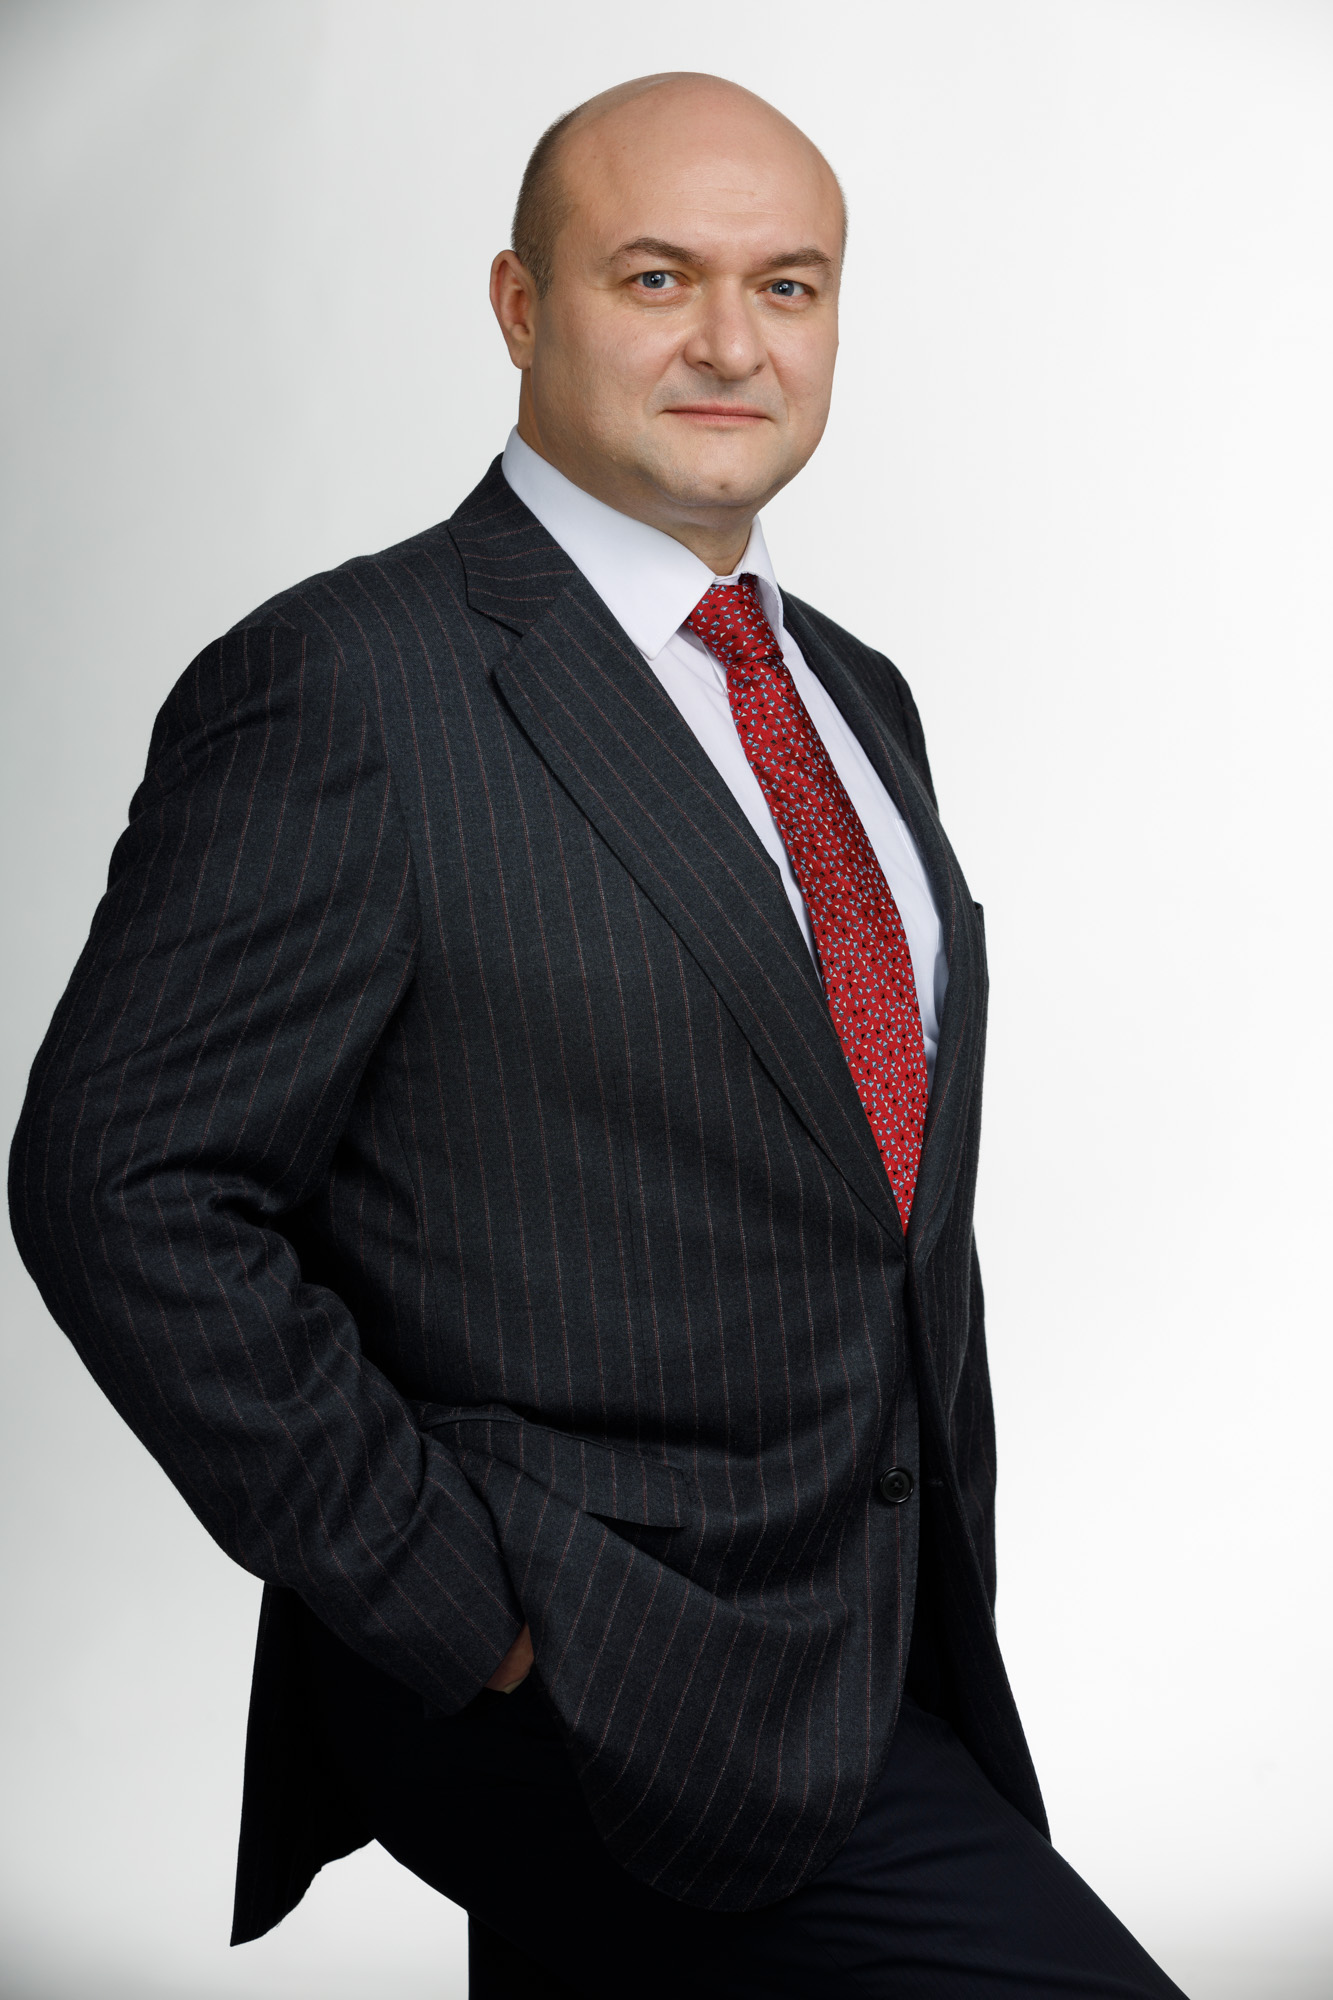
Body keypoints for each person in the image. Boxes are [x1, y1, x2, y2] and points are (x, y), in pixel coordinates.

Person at [9, 71, 1186, 1999]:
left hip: (869, 1639)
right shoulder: (347, 685)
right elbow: (118, 1181)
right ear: (518, 305)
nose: (731, 341)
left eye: (787, 286)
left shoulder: (852, 696)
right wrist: (451, 1602)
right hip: (571, 1657)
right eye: (657, 277)